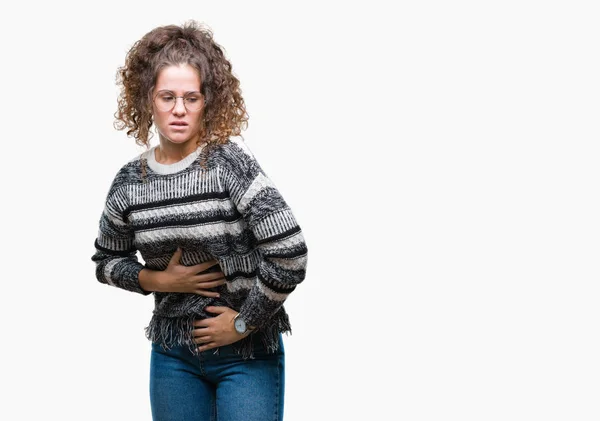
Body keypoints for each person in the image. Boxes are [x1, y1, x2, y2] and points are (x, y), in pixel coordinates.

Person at [91, 20, 308, 421]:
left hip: (247, 355)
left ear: (208, 101)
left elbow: (289, 254)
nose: (178, 109)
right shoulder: (128, 182)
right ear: (146, 100)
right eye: (167, 96)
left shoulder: (230, 166)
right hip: (174, 356)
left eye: (191, 98)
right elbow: (106, 261)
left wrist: (244, 323)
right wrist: (156, 281)